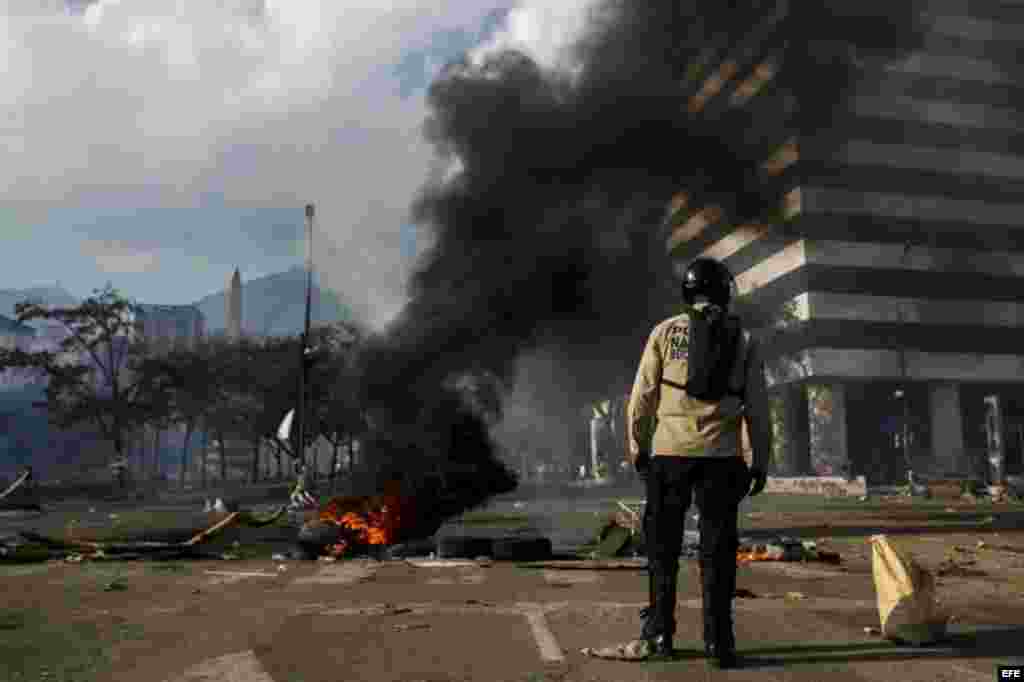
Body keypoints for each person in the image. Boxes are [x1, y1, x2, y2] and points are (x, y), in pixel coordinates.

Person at [626, 256, 771, 669]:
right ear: (726, 292)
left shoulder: (664, 332)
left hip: (669, 457)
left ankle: (661, 634)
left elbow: (641, 398)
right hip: (721, 460)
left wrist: (637, 447)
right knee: (718, 553)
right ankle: (718, 644)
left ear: (688, 293)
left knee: (662, 550)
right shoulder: (745, 339)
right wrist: (758, 460)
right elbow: (757, 409)